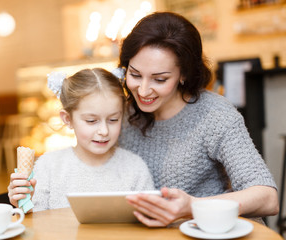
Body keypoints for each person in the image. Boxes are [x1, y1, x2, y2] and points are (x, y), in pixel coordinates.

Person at [116, 12, 279, 227]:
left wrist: (193, 206)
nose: (143, 90)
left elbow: (268, 198)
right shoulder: (122, 116)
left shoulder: (214, 115)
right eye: (135, 75)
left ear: (183, 74)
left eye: (160, 79)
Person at [8, 68, 154, 212]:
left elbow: (149, 220)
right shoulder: (48, 167)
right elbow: (36, 227)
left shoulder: (135, 168)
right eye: (91, 121)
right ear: (68, 119)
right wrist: (24, 204)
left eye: (113, 119)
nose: (104, 131)